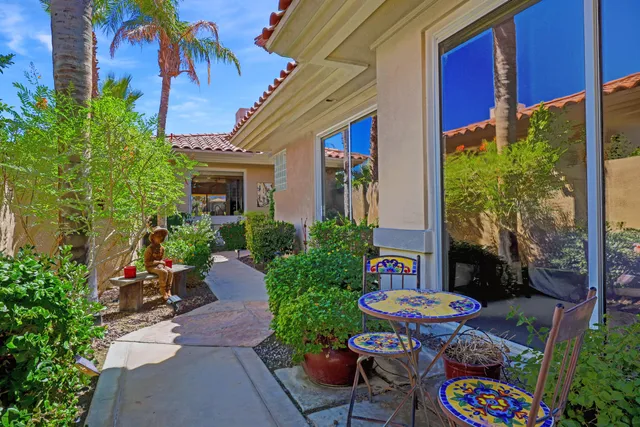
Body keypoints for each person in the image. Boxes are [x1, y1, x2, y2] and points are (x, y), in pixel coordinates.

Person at [144, 227, 174, 300]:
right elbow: (147, 263)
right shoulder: (149, 249)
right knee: (163, 272)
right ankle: (162, 290)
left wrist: (161, 264)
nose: (160, 238)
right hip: (150, 267)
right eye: (158, 236)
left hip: (158, 266)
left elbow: (161, 260)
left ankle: (168, 289)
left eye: (161, 236)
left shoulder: (162, 248)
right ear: (153, 237)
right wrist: (159, 262)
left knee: (170, 271)